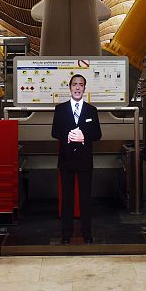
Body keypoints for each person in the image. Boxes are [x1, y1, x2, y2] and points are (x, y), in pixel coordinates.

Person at [51, 74, 102, 244]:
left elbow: (97, 134)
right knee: (67, 199)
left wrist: (83, 136)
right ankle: (66, 234)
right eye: (75, 84)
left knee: (85, 198)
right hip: (66, 160)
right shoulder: (60, 109)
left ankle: (87, 233)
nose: (78, 87)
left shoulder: (91, 110)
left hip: (85, 161)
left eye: (81, 84)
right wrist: (67, 135)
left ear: (85, 88)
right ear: (70, 87)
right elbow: (54, 132)